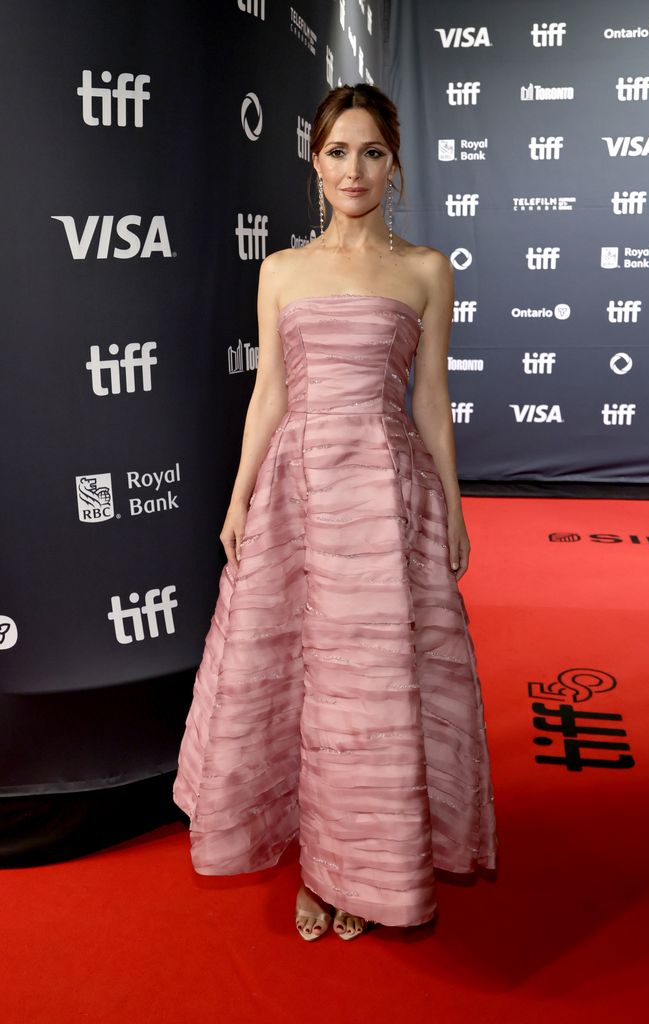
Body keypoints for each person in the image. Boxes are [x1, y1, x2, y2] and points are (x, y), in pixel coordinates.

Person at [172, 83, 498, 942]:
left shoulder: (427, 270)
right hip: (299, 496)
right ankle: (315, 867)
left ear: (395, 164)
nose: (354, 170)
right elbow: (269, 394)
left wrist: (454, 505)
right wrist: (240, 495)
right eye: (338, 152)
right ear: (315, 162)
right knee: (299, 684)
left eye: (372, 153)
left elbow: (431, 402)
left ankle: (363, 868)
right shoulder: (281, 270)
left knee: (371, 693)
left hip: (384, 501)